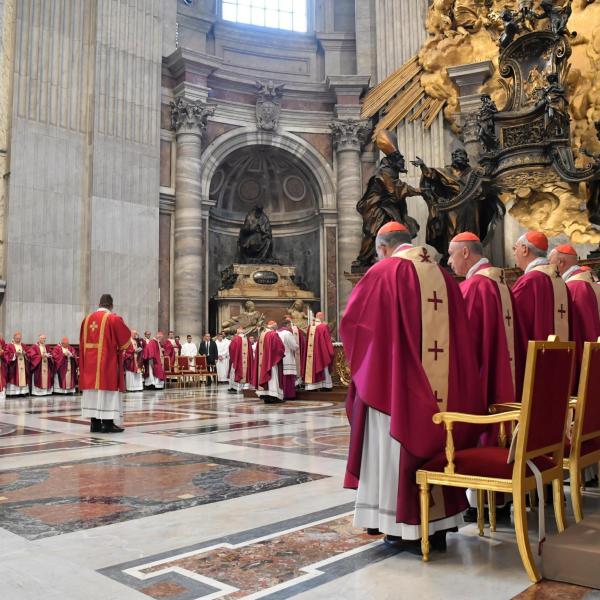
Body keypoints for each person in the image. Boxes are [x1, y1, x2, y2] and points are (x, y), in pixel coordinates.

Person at [342, 222, 484, 551]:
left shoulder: (383, 273)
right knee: (436, 442)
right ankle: (439, 525)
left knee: (393, 447)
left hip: (394, 388)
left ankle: (399, 526)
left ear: (382, 248)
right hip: (442, 396)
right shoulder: (445, 278)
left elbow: (355, 324)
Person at [448, 232, 517, 406]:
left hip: (481, 374)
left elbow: (465, 341)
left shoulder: (473, 287)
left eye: (450, 254)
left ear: (465, 252)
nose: (449, 261)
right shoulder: (502, 284)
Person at [512, 230, 571, 392]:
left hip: (535, 368)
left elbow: (511, 326)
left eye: (515, 248)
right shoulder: (560, 281)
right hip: (561, 364)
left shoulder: (528, 282)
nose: (514, 253)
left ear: (525, 249)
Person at [80, 294, 132, 433]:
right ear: (111, 305)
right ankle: (108, 424)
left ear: (99, 304)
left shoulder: (87, 320)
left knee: (93, 392)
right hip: (106, 363)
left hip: (89, 365)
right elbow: (126, 340)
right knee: (107, 392)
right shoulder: (112, 318)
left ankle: (95, 424)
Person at [549, 243, 600, 376]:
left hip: (585, 356)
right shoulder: (591, 282)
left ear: (560, 262)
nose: (549, 266)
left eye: (550, 262)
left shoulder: (573, 286)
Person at [256, 320, 285, 404]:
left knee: (265, 375)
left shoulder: (262, 334)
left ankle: (265, 396)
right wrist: (281, 353)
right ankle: (273, 396)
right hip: (271, 361)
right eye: (276, 326)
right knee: (272, 377)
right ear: (273, 326)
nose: (277, 327)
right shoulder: (273, 334)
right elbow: (279, 347)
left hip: (263, 362)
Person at [304, 312, 335, 391]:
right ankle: (325, 386)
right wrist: (331, 351)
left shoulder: (310, 327)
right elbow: (327, 340)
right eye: (323, 316)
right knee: (324, 366)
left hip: (311, 354)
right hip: (321, 353)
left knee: (312, 367)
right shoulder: (323, 327)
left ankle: (312, 387)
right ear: (321, 317)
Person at [277, 317, 299, 399]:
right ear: (287, 325)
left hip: (279, 358)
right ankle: (289, 395)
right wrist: (298, 346)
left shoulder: (277, 333)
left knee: (281, 377)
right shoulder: (287, 334)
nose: (291, 327)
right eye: (290, 325)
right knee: (288, 377)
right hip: (288, 357)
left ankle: (281, 394)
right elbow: (293, 346)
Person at [228, 327, 253, 393]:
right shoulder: (246, 339)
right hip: (245, 361)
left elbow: (231, 348)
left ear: (238, 332)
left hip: (237, 360)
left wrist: (233, 358)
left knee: (234, 372)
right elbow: (250, 350)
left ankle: (234, 387)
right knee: (244, 372)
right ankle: (244, 387)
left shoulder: (236, 339)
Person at [6, 332, 30, 397]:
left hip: (22, 365)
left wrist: (25, 354)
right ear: (13, 338)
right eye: (17, 338)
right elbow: (7, 354)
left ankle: (22, 392)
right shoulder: (9, 345)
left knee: (22, 377)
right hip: (14, 366)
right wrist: (14, 354)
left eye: (19, 338)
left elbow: (29, 353)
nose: (18, 340)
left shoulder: (23, 345)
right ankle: (13, 393)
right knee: (14, 377)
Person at [0, 336, 9, 402]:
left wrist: (2, 352)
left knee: (1, 378)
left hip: (1, 363)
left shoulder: (2, 341)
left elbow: (6, 352)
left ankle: (1, 394)